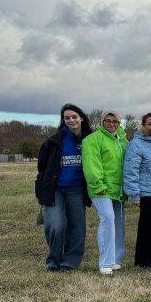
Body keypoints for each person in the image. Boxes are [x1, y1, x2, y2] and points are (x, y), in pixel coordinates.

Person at [35, 104, 92, 271]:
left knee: (77, 227)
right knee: (56, 225)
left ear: (81, 118)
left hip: (77, 190)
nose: (71, 120)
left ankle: (70, 261)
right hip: (55, 190)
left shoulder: (90, 140)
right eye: (67, 118)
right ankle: (54, 260)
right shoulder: (53, 141)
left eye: (74, 116)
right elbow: (42, 167)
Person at [82, 110, 129, 275]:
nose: (111, 124)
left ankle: (115, 258)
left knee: (118, 223)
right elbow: (91, 163)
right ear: (103, 122)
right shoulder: (92, 139)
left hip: (118, 189)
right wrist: (97, 183)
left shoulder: (122, 140)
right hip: (101, 188)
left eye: (115, 121)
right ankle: (105, 262)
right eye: (108, 121)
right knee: (107, 219)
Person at [123, 112, 151, 268]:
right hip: (144, 192)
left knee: (146, 227)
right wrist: (134, 194)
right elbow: (130, 170)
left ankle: (142, 261)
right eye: (149, 124)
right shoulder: (136, 144)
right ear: (143, 126)